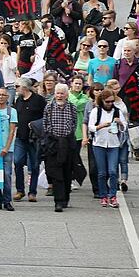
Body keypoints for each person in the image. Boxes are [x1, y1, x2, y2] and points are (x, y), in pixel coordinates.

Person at [43, 84, 81, 212]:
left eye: (62, 93)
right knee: (56, 172)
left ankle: (65, 197)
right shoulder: (49, 107)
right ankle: (58, 201)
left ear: (66, 94)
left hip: (67, 142)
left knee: (67, 171)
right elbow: (45, 124)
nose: (59, 96)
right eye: (57, 93)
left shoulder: (72, 107)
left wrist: (68, 136)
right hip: (54, 143)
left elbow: (74, 123)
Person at [87, 89, 127, 208]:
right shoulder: (96, 111)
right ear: (102, 101)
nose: (110, 104)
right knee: (102, 173)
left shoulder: (117, 111)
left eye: (111, 101)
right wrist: (101, 126)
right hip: (99, 144)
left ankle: (113, 195)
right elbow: (91, 127)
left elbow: (124, 128)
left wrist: (120, 123)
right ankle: (103, 195)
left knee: (113, 171)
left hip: (114, 144)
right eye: (107, 101)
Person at [0, 88, 17, 211]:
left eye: (3, 95)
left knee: (7, 175)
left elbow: (12, 131)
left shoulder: (11, 111)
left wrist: (6, 147)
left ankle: (7, 201)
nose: (1, 97)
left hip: (7, 148)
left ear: (8, 97)